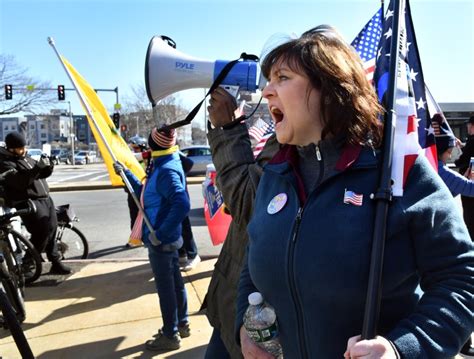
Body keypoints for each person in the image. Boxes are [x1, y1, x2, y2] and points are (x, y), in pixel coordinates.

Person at [233, 25, 474, 358]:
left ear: (329, 90)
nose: (267, 91)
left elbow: (462, 278)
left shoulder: (396, 170)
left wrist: (402, 350)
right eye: (269, 80)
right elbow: (251, 266)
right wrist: (243, 327)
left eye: (282, 78)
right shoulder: (275, 175)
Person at [204, 86, 280, 358]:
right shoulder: (287, 132)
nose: (268, 90)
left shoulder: (298, 142)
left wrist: (228, 130)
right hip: (236, 302)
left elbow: (249, 204)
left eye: (283, 78)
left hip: (256, 319)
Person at [114, 128, 191, 351]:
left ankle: (170, 334)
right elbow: (146, 195)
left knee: (166, 287)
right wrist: (126, 174)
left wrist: (161, 233)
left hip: (161, 239)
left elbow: (182, 203)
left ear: (154, 146)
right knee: (175, 282)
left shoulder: (165, 169)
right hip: (165, 237)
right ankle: (181, 324)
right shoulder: (166, 162)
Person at [0, 131, 72, 274]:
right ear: (11, 148)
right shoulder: (4, 163)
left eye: (24, 147)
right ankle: (27, 262)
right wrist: (37, 168)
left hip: (44, 198)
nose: (23, 150)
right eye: (20, 148)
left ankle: (55, 261)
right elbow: (21, 182)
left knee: (52, 229)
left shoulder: (25, 157)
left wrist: (48, 166)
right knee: (42, 232)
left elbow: (39, 174)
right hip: (28, 201)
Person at [177, 152, 201, 272]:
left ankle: (192, 254)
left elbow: (189, 163)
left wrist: (181, 174)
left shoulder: (172, 151)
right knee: (177, 229)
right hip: (170, 200)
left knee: (185, 228)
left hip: (180, 198)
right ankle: (181, 253)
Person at [455, 115, 474, 239]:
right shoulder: (471, 140)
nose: (467, 126)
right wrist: (462, 145)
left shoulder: (472, 140)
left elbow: (464, 159)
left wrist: (456, 161)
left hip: (469, 182)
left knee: (469, 213)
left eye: (468, 124)